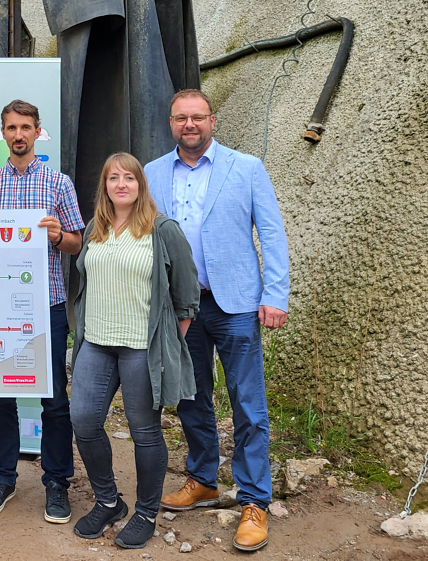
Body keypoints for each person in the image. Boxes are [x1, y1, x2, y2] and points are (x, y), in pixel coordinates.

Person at [145, 89, 289, 553]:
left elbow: (270, 232)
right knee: (191, 398)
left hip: (238, 304)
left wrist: (275, 294)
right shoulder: (151, 174)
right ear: (171, 124)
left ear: (212, 121)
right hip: (180, 307)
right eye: (181, 118)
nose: (190, 125)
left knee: (248, 404)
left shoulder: (245, 168)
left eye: (198, 117)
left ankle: (253, 500)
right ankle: (203, 479)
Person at [69, 153, 199, 550]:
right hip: (96, 343)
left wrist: (169, 338)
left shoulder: (162, 230)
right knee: (84, 421)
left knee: (145, 432)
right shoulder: (96, 227)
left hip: (142, 348)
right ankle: (109, 501)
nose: (121, 184)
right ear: (104, 186)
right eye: (113, 178)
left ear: (140, 184)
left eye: (129, 177)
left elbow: (186, 294)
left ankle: (145, 512)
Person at [0, 100, 84, 524]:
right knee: (0, 398)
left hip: (46, 306)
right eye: (11, 128)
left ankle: (56, 482)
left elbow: (77, 242)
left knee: (53, 400)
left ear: (38, 132)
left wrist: (58, 237)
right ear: (2, 133)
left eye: (26, 127)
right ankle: (3, 478)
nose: (18, 135)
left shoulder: (58, 183)